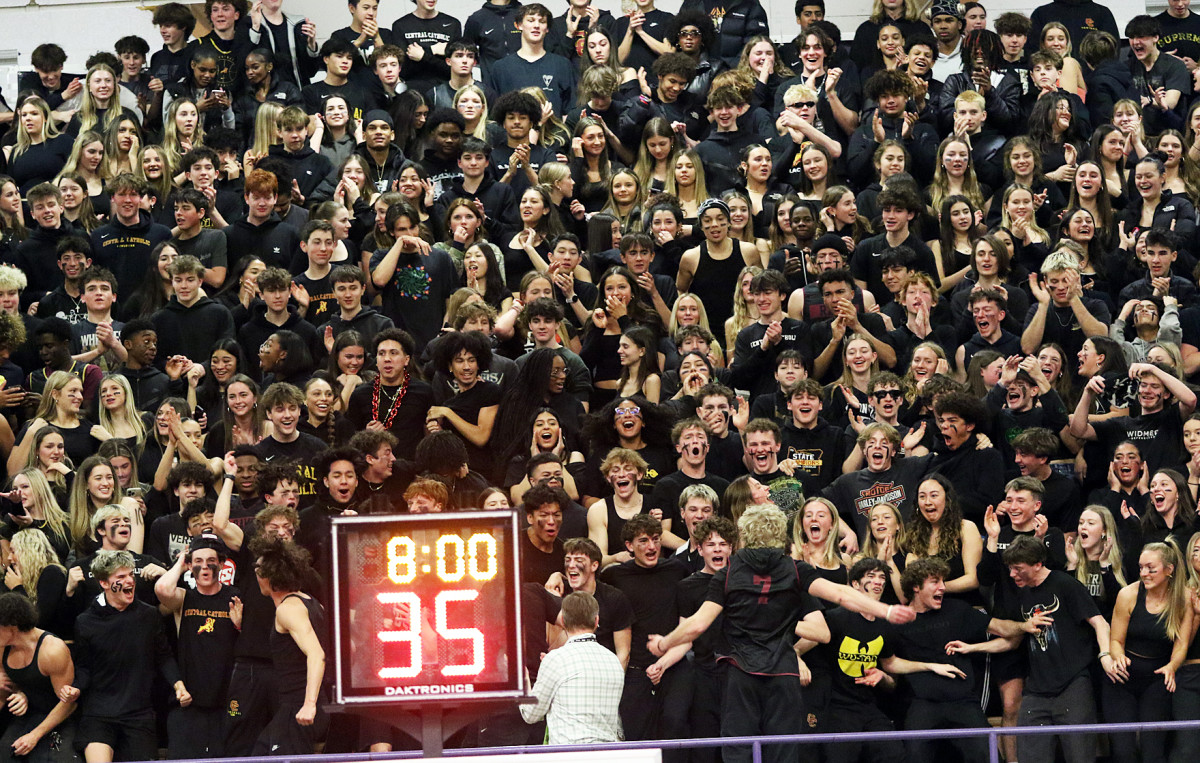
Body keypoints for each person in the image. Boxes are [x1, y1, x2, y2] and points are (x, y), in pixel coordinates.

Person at [648, 505, 916, 763]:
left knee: (739, 747)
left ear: (744, 535)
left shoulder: (727, 575)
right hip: (784, 674)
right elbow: (841, 593)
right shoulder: (795, 569)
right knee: (782, 748)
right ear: (779, 534)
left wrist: (664, 642)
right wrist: (886, 611)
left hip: (741, 673)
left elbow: (697, 625)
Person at [67, 549, 188, 763]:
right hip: (99, 714)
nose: (129, 581)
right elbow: (84, 667)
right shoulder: (85, 622)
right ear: (104, 583)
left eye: (131, 575)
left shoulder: (148, 615)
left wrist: (178, 684)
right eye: (120, 577)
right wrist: (75, 687)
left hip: (138, 713)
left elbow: (164, 656)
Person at [154, 533, 240, 758]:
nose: (205, 567)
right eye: (198, 562)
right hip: (189, 697)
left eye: (211, 561)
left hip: (225, 697)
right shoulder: (184, 598)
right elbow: (162, 589)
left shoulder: (235, 597)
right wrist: (181, 563)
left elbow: (249, 644)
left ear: (221, 564)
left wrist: (240, 625)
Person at [250, 535, 327, 755]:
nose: (256, 574)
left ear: (273, 576)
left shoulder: (288, 609)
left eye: (260, 571)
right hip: (298, 707)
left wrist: (309, 704)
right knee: (260, 753)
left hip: (300, 708)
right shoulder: (311, 602)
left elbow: (316, 654)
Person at [520, 590, 625, 743]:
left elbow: (530, 714)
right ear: (596, 621)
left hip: (569, 755)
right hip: (607, 754)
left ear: (563, 620)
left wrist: (524, 679)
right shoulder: (614, 661)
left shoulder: (555, 660)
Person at [0, 592, 77, 762]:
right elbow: (10, 685)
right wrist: (20, 693)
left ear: (11, 627)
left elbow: (68, 703)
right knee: (5, 755)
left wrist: (35, 735)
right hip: (26, 715)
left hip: (56, 716)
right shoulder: (3, 646)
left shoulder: (52, 650)